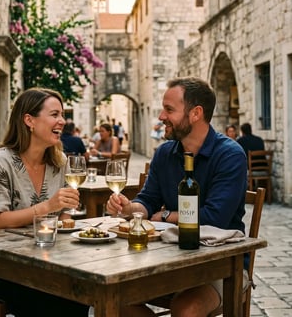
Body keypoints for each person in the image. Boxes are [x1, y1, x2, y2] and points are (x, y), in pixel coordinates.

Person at [106, 77, 248, 317]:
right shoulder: (164, 153)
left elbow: (215, 218)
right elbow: (147, 202)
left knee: (186, 310)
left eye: (169, 109)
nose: (161, 116)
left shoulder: (230, 155)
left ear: (196, 113)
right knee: (113, 298)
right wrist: (130, 208)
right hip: (169, 261)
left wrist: (166, 215)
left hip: (222, 266)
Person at [0, 87, 89, 317]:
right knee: (52, 301)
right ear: (29, 120)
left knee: (80, 293)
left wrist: (66, 219)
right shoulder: (0, 162)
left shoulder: (60, 162)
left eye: (62, 115)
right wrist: (47, 207)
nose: (62, 121)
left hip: (48, 259)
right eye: (54, 114)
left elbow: (65, 214)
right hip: (0, 263)